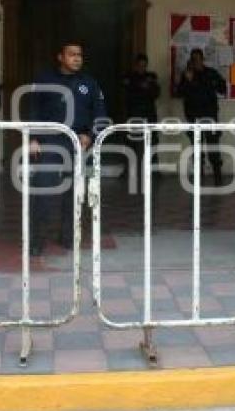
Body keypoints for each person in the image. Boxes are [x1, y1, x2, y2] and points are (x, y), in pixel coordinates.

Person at [29, 42, 106, 256]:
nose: (77, 59)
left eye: (79, 55)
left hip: (78, 144)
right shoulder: (45, 80)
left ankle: (69, 237)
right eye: (72, 55)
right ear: (60, 57)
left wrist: (90, 136)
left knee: (76, 194)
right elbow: (34, 110)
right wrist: (33, 138)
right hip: (50, 142)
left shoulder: (89, 83)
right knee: (43, 192)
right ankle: (36, 241)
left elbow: (100, 114)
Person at [177, 48, 227, 185]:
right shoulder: (187, 74)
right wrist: (187, 80)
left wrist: (215, 84)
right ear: (191, 61)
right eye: (194, 59)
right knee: (196, 148)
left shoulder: (211, 73)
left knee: (213, 147)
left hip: (210, 115)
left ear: (202, 59)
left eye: (198, 59)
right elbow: (179, 93)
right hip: (193, 116)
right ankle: (199, 176)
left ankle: (218, 176)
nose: (196, 62)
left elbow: (223, 88)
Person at [122, 53, 160, 187]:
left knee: (153, 141)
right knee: (131, 142)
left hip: (149, 114)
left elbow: (156, 93)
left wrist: (144, 88)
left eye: (144, 66)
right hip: (134, 114)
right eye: (140, 66)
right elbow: (128, 94)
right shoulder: (129, 77)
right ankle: (128, 170)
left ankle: (155, 171)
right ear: (135, 65)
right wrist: (142, 87)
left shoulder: (151, 77)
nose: (142, 68)